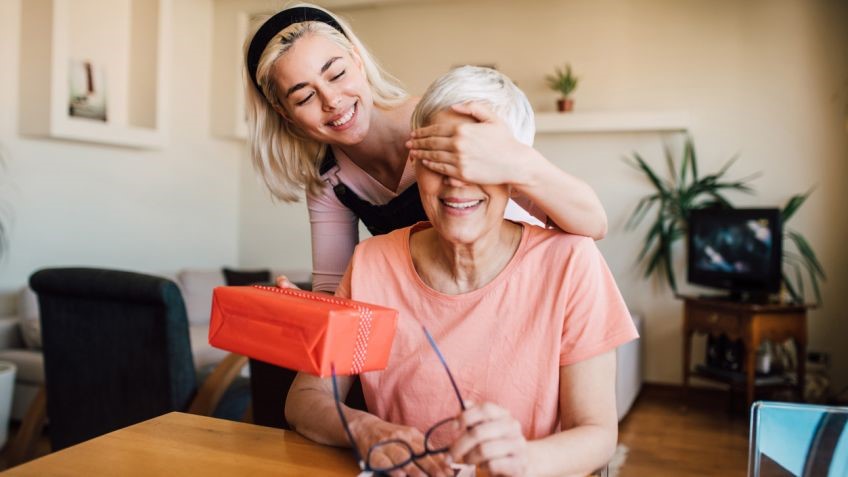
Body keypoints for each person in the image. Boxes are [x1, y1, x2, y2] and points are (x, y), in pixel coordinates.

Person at [285, 66, 639, 477]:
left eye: (479, 163)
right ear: (416, 162)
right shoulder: (371, 264)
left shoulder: (571, 262)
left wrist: (524, 459)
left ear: (515, 175)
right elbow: (305, 398)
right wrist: (366, 429)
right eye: (440, 159)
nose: (457, 182)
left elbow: (597, 434)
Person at [245, 3, 609, 294]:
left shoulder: (444, 121)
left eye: (337, 74)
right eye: (305, 96)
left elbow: (592, 223)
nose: (332, 101)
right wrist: (308, 307)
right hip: (442, 300)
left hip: (525, 284)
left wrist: (513, 159)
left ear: (357, 60)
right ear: (284, 112)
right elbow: (338, 290)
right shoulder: (330, 180)